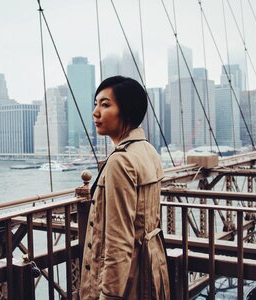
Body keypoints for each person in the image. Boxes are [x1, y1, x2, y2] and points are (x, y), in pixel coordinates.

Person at [80, 76, 170, 300]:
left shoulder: (120, 161)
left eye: (105, 104)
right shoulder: (148, 151)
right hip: (152, 268)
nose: (96, 112)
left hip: (127, 284)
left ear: (127, 111)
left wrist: (110, 295)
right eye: (96, 104)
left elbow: (118, 240)